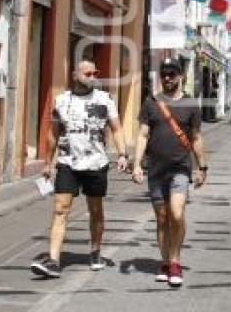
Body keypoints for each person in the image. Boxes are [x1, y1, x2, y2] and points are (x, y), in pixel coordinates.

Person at [30, 60, 128, 279]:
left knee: (95, 211)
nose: (93, 76)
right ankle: (54, 260)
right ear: (75, 75)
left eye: (95, 72)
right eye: (88, 73)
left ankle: (95, 252)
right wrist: (48, 163)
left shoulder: (105, 99)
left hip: (96, 163)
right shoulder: (62, 100)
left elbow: (117, 128)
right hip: (68, 164)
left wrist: (122, 154)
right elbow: (53, 133)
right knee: (60, 209)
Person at [133, 59, 208, 288]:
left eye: (172, 74)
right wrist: (137, 164)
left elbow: (196, 137)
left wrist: (202, 166)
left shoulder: (191, 104)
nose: (167, 78)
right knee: (162, 218)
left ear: (180, 76)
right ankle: (165, 262)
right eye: (164, 74)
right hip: (156, 169)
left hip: (180, 168)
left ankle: (175, 261)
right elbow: (143, 135)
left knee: (176, 214)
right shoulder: (151, 103)